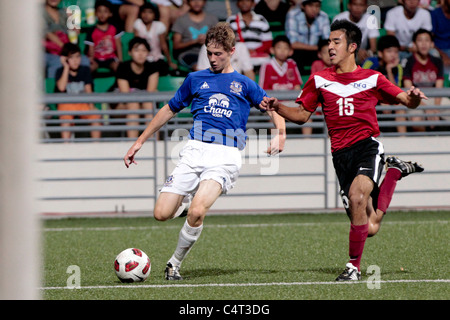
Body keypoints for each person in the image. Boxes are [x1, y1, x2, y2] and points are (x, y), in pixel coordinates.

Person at [260, 20, 425, 281]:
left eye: (336, 42)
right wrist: (277, 106)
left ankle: (353, 268)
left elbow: (407, 101)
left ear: (352, 47)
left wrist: (414, 96)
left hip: (366, 147)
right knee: (369, 227)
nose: (330, 46)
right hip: (340, 156)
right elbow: (302, 115)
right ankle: (394, 172)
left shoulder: (373, 78)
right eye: (328, 42)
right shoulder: (319, 79)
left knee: (358, 197)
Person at [123, 22, 286, 281]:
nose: (213, 59)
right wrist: (140, 140)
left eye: (218, 53)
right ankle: (185, 202)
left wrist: (281, 133)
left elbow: (272, 107)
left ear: (232, 51)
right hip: (194, 151)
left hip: (225, 156)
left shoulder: (244, 84)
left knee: (199, 211)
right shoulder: (195, 79)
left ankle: (174, 263)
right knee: (161, 214)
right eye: (209, 53)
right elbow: (168, 109)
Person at [55, 43, 101, 141]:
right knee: (66, 119)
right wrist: (66, 68)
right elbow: (62, 88)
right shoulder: (60, 71)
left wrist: (91, 106)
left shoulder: (85, 70)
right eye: (71, 57)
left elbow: (89, 90)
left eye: (77, 57)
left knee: (95, 115)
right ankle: (66, 147)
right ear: (66, 59)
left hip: (82, 104)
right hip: (66, 105)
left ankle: (96, 147)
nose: (75, 60)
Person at [362, 35, 407, 133]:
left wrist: (389, 70)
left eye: (396, 52)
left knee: (398, 106)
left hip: (386, 98)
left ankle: (403, 140)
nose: (393, 55)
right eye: (389, 51)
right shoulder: (370, 63)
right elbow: (362, 84)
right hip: (369, 97)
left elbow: (395, 91)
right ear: (381, 53)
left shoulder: (397, 67)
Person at [116, 37, 159, 138]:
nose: (140, 54)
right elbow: (126, 96)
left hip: (144, 104)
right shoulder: (123, 67)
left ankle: (154, 144)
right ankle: (132, 147)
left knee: (149, 105)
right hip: (122, 105)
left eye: (144, 50)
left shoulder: (152, 67)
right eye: (136, 50)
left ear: (148, 53)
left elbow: (150, 94)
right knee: (133, 105)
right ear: (130, 52)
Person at [403, 28, 444, 132]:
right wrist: (427, 108)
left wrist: (436, 108)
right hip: (416, 99)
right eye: (420, 40)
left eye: (427, 40)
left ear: (432, 44)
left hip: (435, 98)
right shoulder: (408, 62)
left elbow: (439, 89)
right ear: (414, 44)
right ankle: (425, 141)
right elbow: (409, 90)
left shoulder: (437, 61)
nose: (424, 44)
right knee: (416, 120)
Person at [43, 0, 90, 78]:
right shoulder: (39, 13)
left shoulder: (63, 12)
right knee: (57, 62)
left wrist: (74, 27)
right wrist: (66, 49)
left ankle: (82, 87)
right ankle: (54, 88)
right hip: (48, 51)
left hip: (66, 50)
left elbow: (73, 31)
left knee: (84, 60)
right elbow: (47, 33)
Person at [171, 0, 219, 71]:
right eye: (193, 0)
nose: (196, 2)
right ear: (188, 2)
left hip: (209, 52)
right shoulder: (181, 20)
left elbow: (219, 41)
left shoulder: (212, 19)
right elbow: (176, 45)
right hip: (188, 53)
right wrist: (194, 42)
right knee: (199, 67)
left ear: (204, 2)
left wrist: (207, 41)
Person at [285, 0, 330, 74]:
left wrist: (320, 49)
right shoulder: (293, 15)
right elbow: (292, 43)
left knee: (327, 56)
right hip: (298, 51)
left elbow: (326, 40)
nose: (314, 9)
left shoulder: (323, 16)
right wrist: (317, 47)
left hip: (316, 52)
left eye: (317, 6)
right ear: (303, 6)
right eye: (310, 6)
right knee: (293, 57)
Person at [133, 2, 177, 76]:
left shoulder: (159, 26)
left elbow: (163, 45)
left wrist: (170, 62)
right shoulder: (138, 23)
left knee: (161, 69)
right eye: (144, 12)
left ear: (155, 15)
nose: (146, 15)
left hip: (156, 57)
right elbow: (136, 43)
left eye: (150, 12)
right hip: (143, 58)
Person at [226, 0, 273, 68]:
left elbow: (268, 42)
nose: (244, 3)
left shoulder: (261, 19)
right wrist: (244, 51)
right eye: (241, 1)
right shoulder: (231, 20)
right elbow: (228, 42)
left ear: (253, 3)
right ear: (237, 4)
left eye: (247, 0)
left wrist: (254, 51)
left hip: (259, 55)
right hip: (239, 55)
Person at [85, 0, 123, 74]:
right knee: (88, 69)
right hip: (96, 58)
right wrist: (91, 60)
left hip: (110, 58)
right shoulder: (91, 30)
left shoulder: (114, 28)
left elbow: (118, 45)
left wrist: (120, 60)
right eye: (99, 11)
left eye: (105, 11)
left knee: (119, 68)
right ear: (95, 13)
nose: (102, 14)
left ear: (110, 14)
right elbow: (91, 49)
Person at [431, 0, 450, 75]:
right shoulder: (435, 14)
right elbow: (430, 40)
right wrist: (443, 55)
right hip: (437, 48)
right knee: (433, 54)